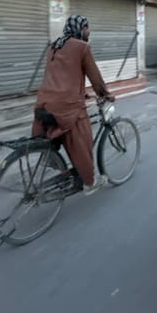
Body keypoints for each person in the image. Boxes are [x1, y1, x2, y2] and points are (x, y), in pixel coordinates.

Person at [32, 14, 114, 196]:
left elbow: (60, 77)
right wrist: (106, 94)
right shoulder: (82, 47)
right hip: (66, 108)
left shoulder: (54, 45)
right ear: (81, 29)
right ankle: (89, 183)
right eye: (87, 27)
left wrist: (82, 93)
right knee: (83, 140)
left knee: (59, 133)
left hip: (44, 103)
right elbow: (95, 78)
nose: (89, 31)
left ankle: (56, 161)